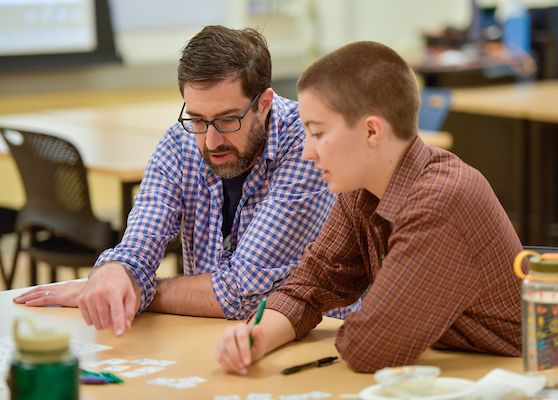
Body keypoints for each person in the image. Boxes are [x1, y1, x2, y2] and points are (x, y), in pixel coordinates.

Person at [215, 41, 523, 374]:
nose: (307, 152)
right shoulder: (360, 190)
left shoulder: (441, 201)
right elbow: (309, 286)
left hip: (515, 380)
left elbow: (369, 348)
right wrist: (255, 336)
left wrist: (367, 319)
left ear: (371, 131)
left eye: (317, 133)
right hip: (445, 374)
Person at [13, 25, 341, 336]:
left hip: (320, 342)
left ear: (264, 104)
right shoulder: (178, 142)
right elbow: (136, 250)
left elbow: (239, 292)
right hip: (210, 334)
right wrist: (115, 274)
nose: (211, 142)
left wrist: (138, 291)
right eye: (197, 120)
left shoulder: (306, 146)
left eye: (228, 120)